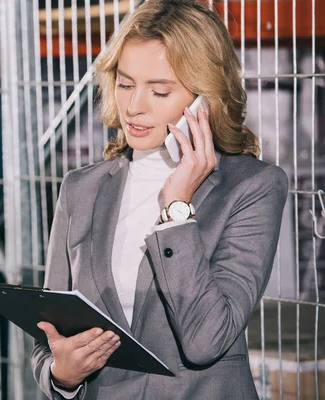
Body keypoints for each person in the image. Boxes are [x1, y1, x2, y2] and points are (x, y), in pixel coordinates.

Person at [30, 1, 289, 399]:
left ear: (205, 98)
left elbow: (207, 341)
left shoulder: (254, 187)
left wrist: (177, 208)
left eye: (160, 90)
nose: (134, 106)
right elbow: (48, 339)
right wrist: (61, 375)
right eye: (126, 82)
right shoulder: (80, 189)